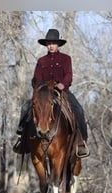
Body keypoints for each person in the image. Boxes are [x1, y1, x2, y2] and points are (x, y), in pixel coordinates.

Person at [13, 28, 90, 158]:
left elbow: (69, 75)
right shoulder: (41, 61)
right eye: (48, 43)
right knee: (26, 107)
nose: (51, 46)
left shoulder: (66, 59)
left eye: (53, 43)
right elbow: (37, 78)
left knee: (78, 109)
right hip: (43, 93)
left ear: (58, 44)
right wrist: (38, 88)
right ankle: (22, 139)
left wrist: (62, 84)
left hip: (62, 92)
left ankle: (81, 142)